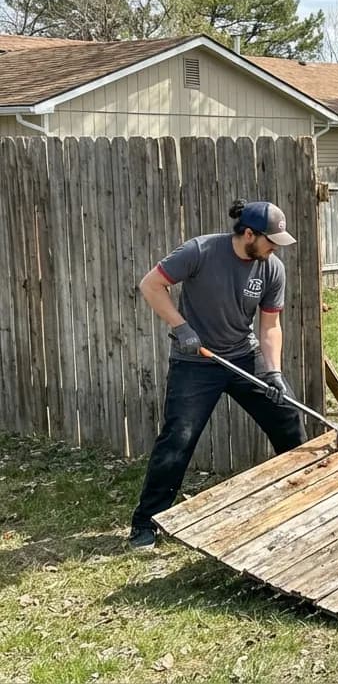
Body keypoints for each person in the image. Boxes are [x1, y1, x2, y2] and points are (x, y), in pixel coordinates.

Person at [128, 199, 307, 549]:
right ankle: (146, 522)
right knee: (179, 438)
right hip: (195, 363)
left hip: (244, 356)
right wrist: (181, 327)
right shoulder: (200, 251)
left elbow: (270, 326)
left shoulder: (272, 268)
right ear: (249, 234)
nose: (274, 249)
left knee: (287, 417)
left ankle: (308, 497)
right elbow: (151, 284)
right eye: (271, 241)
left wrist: (273, 372)